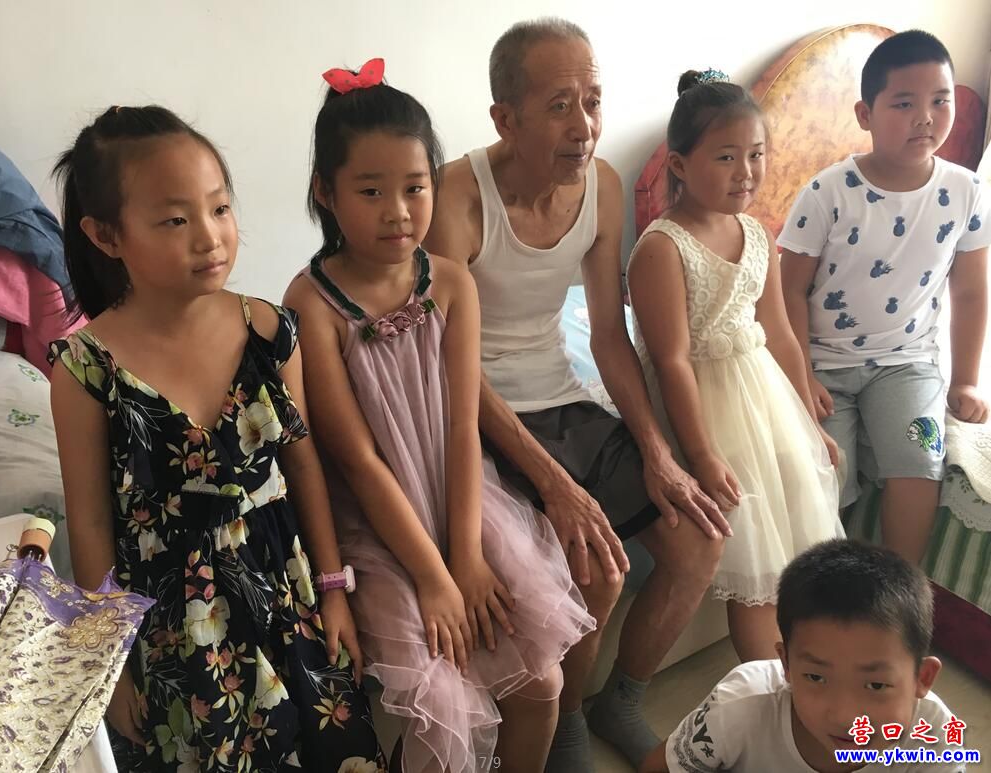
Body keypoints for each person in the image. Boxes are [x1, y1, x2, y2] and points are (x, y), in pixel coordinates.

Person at [425, 19, 729, 771]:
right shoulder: (456, 197)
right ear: (505, 118)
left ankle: (619, 698)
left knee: (699, 539)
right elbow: (448, 363)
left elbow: (607, 337)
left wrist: (657, 452)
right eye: (559, 105)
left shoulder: (603, 187)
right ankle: (565, 722)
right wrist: (556, 483)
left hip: (561, 395)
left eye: (593, 101)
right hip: (475, 409)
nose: (585, 126)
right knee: (594, 563)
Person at [48, 106, 385, 772]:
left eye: (220, 208)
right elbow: (88, 524)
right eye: (175, 220)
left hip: (283, 592)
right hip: (170, 624)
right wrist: (109, 665)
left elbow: (303, 465)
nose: (210, 237)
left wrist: (333, 587)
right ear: (106, 235)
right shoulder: (85, 369)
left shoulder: (270, 331)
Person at [284, 61, 595, 773]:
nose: (398, 211)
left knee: (542, 684)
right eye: (371, 191)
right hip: (380, 526)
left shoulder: (450, 282)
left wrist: (468, 555)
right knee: (440, 713)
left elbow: (462, 428)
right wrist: (436, 576)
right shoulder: (310, 302)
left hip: (461, 503)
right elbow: (358, 459)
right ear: (326, 193)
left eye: (415, 187)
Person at [628, 69, 843, 662]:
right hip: (701, 408)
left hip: (762, 396)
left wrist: (810, 424)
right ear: (678, 165)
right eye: (726, 157)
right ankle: (767, 687)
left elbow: (780, 335)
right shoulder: (662, 248)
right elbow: (671, 361)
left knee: (796, 548)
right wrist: (700, 456)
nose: (745, 172)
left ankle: (804, 671)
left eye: (756, 154)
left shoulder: (757, 234)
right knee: (759, 575)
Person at [779, 30, 991, 565]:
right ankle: (821, 590)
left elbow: (970, 291)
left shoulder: (966, 192)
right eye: (904, 104)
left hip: (908, 363)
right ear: (865, 114)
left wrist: (966, 380)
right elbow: (788, 291)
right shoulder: (827, 193)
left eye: (940, 101)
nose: (926, 118)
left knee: (921, 459)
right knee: (823, 472)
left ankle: (899, 590)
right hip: (823, 364)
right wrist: (801, 377)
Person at [641, 539, 967, 772]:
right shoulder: (739, 708)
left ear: (922, 678)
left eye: (876, 685)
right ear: (786, 664)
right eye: (816, 677)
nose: (845, 716)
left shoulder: (936, 736)